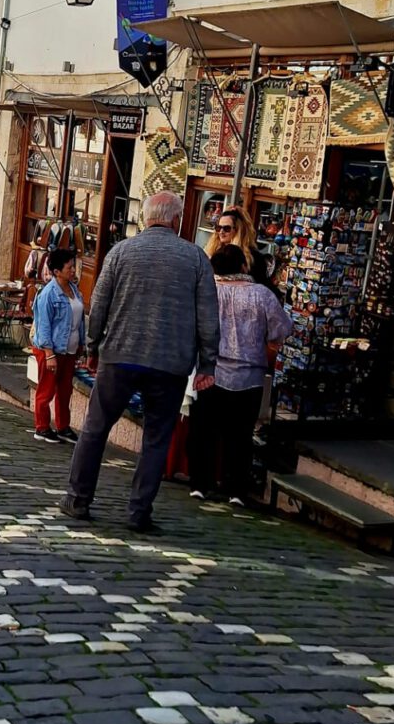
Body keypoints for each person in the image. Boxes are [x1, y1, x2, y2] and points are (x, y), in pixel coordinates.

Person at [63, 191, 219, 533]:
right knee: (156, 438)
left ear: (144, 218)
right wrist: (207, 365)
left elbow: (99, 304)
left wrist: (92, 348)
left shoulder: (121, 252)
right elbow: (209, 317)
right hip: (170, 363)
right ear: (176, 220)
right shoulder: (195, 258)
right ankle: (138, 511)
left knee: (95, 428)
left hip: (120, 356)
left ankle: (78, 499)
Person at [189, 245, 292, 506]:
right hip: (249, 377)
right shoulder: (261, 295)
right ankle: (236, 490)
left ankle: (201, 484)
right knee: (241, 435)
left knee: (205, 431)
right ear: (243, 266)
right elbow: (282, 329)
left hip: (211, 371)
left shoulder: (208, 291)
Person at [30, 249, 84, 445]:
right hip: (52, 350)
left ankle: (63, 426)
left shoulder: (74, 289)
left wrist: (81, 345)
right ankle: (42, 427)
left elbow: (78, 320)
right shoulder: (48, 294)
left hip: (69, 350)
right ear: (57, 271)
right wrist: (49, 354)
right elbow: (43, 325)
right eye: (69, 267)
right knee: (47, 389)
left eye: (73, 266)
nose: (73, 270)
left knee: (65, 390)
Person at [204, 205, 272, 287]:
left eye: (227, 228)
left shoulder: (253, 257)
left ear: (238, 230)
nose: (221, 232)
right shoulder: (212, 250)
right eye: (218, 228)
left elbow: (260, 286)